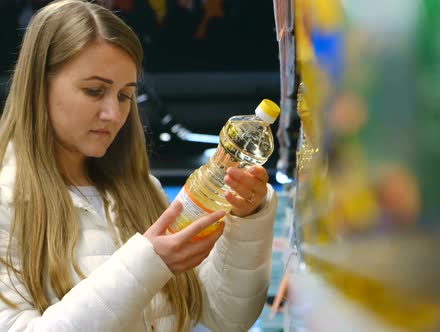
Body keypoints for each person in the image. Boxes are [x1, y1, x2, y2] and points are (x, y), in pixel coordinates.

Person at [0, 0, 277, 331]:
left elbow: (223, 318)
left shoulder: (144, 190)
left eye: (123, 96)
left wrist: (246, 223)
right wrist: (148, 264)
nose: (113, 114)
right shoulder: (7, 203)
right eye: (94, 91)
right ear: (39, 86)